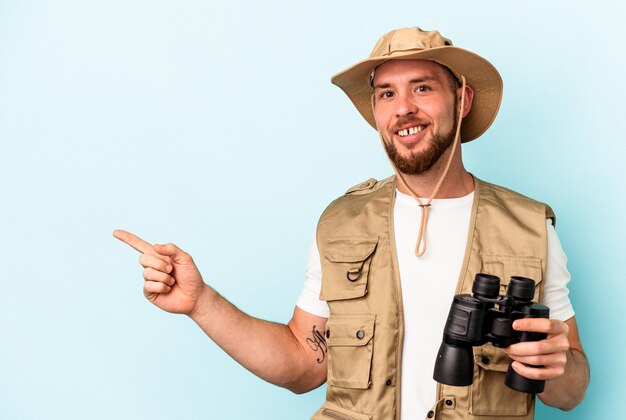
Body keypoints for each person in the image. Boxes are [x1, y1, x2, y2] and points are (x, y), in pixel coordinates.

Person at [114, 27, 589, 419]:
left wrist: (558, 367)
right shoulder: (341, 223)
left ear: (462, 100)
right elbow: (304, 364)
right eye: (387, 93)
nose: (403, 107)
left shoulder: (529, 226)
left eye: (422, 87)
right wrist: (201, 302)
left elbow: (571, 392)